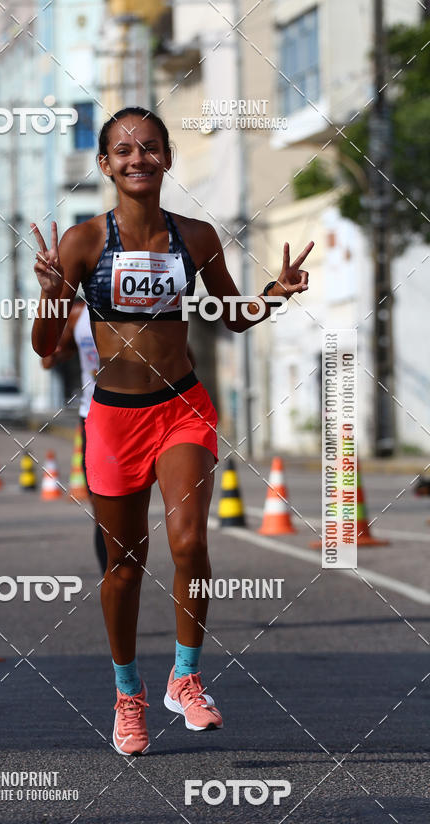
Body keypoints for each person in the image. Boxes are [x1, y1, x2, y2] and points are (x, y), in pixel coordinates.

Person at [31, 106, 313, 756]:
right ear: (105, 165)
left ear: (166, 158)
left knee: (189, 544)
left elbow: (231, 315)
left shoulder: (197, 236)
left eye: (150, 148)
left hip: (182, 407)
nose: (138, 159)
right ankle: (128, 696)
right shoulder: (83, 243)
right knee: (126, 567)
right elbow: (48, 347)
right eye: (124, 150)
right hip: (113, 420)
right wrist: (50, 294)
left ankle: (186, 677)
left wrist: (276, 291)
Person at [40, 299, 108, 575]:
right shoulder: (78, 314)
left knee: (129, 511)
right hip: (93, 417)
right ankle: (112, 577)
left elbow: (186, 356)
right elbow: (49, 358)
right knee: (102, 511)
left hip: (137, 415)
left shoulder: (138, 304)